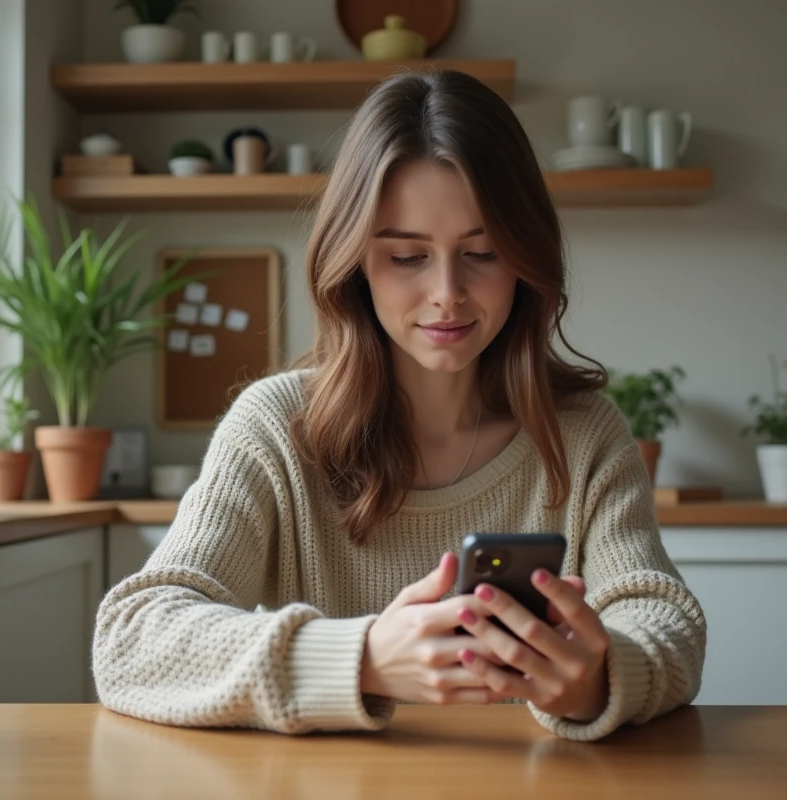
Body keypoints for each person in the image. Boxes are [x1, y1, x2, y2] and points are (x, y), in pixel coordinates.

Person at [93, 69, 706, 742]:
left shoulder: (585, 435)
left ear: (527, 260)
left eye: (483, 252)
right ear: (353, 262)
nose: (448, 292)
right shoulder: (274, 427)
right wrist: (363, 659)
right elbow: (131, 640)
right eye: (408, 256)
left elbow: (666, 621)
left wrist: (600, 677)